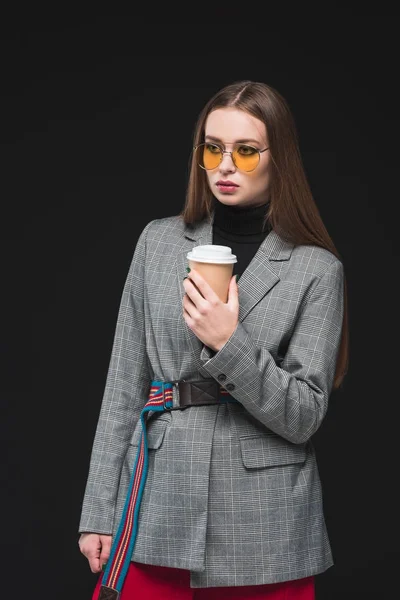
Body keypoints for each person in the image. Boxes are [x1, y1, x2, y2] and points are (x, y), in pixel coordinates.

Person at [78, 79, 349, 600]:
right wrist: (98, 512)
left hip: (264, 520)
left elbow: (304, 416)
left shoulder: (317, 270)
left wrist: (231, 344)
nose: (226, 165)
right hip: (157, 499)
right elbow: (122, 388)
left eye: (246, 151)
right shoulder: (158, 242)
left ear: (279, 158)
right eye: (213, 148)